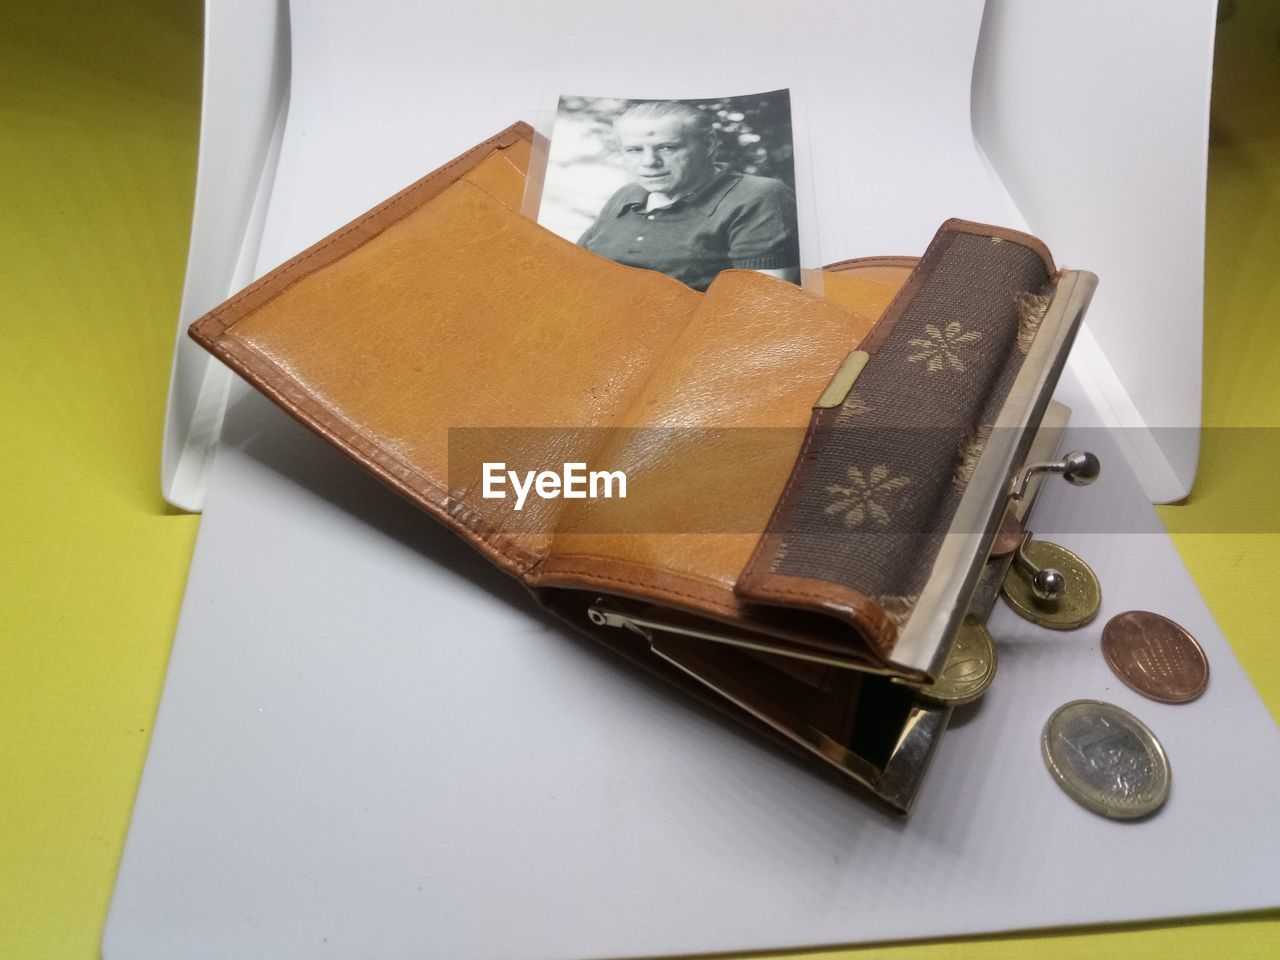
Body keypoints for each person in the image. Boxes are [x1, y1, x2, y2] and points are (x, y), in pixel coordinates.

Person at [576, 101, 801, 292]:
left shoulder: (758, 196)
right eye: (635, 150)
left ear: (709, 145)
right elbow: (576, 269)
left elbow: (758, 304)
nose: (649, 162)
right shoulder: (627, 194)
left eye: (667, 148)